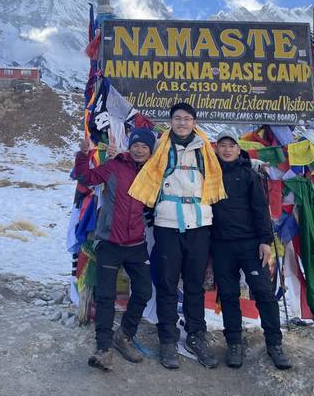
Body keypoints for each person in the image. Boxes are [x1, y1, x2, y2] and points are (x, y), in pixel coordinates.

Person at [129, 102, 226, 370]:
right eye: (177, 118)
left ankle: (197, 336)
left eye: (187, 118)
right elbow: (141, 170)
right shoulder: (160, 148)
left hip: (199, 223)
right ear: (171, 121)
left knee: (194, 283)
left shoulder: (206, 150)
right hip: (167, 222)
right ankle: (168, 340)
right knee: (168, 284)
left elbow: (221, 174)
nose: (182, 123)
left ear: (194, 122)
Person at [73, 128, 156, 371]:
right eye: (136, 145)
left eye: (145, 147)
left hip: (136, 245)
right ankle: (104, 348)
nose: (139, 150)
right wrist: (83, 154)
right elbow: (86, 178)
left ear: (151, 151)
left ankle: (125, 335)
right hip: (109, 242)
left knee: (143, 291)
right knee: (106, 296)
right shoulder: (114, 166)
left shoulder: (153, 173)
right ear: (129, 146)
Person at [212, 129, 292, 370]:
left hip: (250, 244)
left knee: (264, 293)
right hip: (220, 245)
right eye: (222, 145)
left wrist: (265, 241)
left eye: (231, 146)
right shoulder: (209, 174)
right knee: (227, 294)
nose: (227, 150)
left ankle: (274, 344)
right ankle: (234, 343)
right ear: (217, 149)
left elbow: (260, 209)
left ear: (239, 149)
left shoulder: (248, 175)